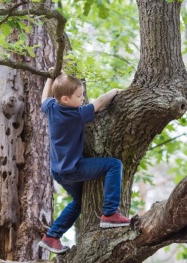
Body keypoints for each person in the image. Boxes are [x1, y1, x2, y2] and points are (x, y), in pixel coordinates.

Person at [38, 72, 130, 254]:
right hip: (74, 169)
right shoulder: (76, 114)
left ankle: (51, 237)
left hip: (58, 171)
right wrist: (114, 91)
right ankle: (110, 213)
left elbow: (44, 98)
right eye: (79, 96)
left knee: (79, 202)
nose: (82, 99)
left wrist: (50, 77)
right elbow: (99, 103)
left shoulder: (51, 107)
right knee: (114, 164)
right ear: (65, 98)